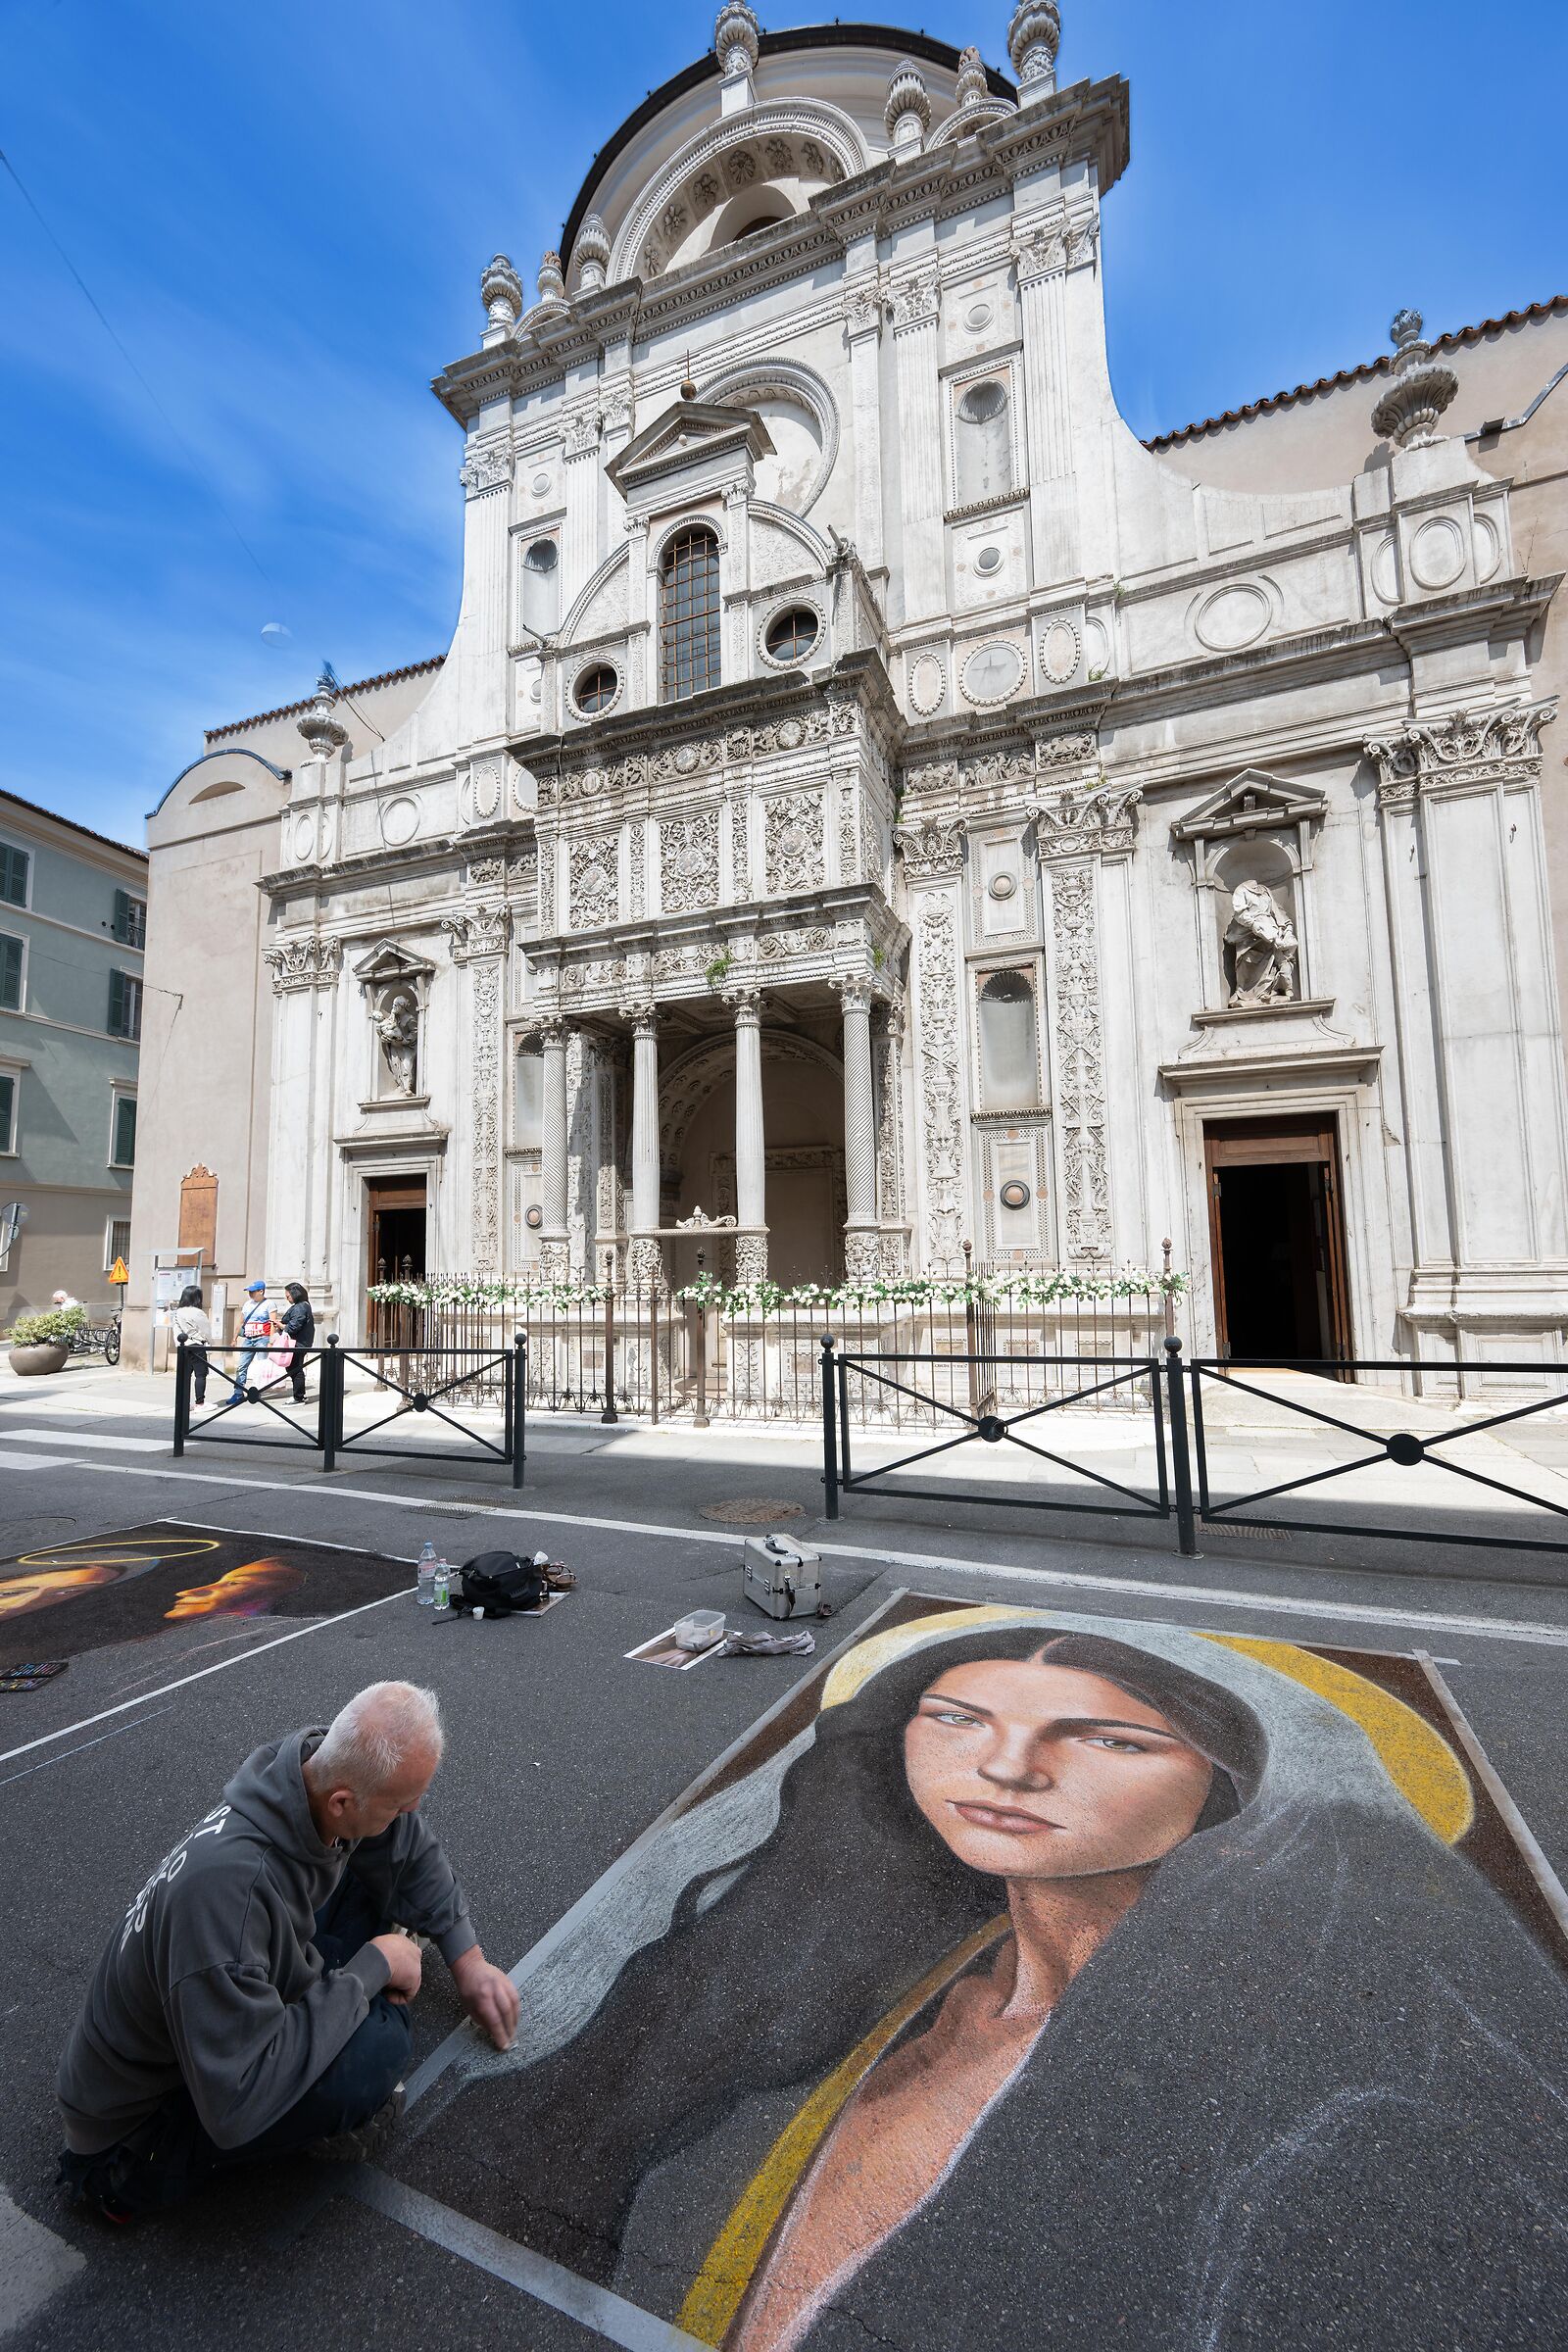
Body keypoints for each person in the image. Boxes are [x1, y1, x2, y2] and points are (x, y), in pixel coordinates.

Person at [398, 1609, 1568, 2348]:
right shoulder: (860, 1969)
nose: (1006, 1767)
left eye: (1109, 1739)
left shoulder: (1357, 2109)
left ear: (1229, 1784)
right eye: (954, 1718)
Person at [56, 1682, 519, 2224]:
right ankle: (323, 2098)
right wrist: (372, 1969)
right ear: (343, 1801)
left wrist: (468, 1959)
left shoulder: (307, 1774)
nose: (413, 1811)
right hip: (137, 2138)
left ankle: (329, 1998)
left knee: (370, 1866)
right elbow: (235, 2103)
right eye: (401, 1804)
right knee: (378, 2050)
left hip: (212, 2008)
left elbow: (407, 1843)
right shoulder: (229, 1899)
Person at [226, 1279, 271, 1403]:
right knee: (242, 1365)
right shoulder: (247, 1305)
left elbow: (273, 1323)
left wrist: (271, 1341)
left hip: (262, 1338)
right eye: (249, 1292)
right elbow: (240, 1322)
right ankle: (238, 1392)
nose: (250, 1294)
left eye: (253, 1292)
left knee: (260, 1366)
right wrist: (234, 1338)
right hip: (248, 1338)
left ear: (261, 1291)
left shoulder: (269, 1304)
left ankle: (258, 1391)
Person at [172, 1284, 211, 1405]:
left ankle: (183, 1403)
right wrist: (210, 1344)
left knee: (185, 1376)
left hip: (184, 1346)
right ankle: (200, 1403)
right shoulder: (198, 1312)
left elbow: (176, 1330)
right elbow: (206, 1331)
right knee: (200, 1375)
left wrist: (179, 1344)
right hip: (197, 1345)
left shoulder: (178, 1312)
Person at [280, 1280, 316, 1404]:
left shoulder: (300, 1307)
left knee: (295, 1368)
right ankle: (299, 1395)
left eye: (288, 1296)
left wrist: (281, 1325)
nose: (287, 1298)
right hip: (300, 1342)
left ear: (295, 1294)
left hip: (297, 1343)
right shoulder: (303, 1305)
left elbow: (294, 1326)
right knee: (294, 1368)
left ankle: (298, 1396)